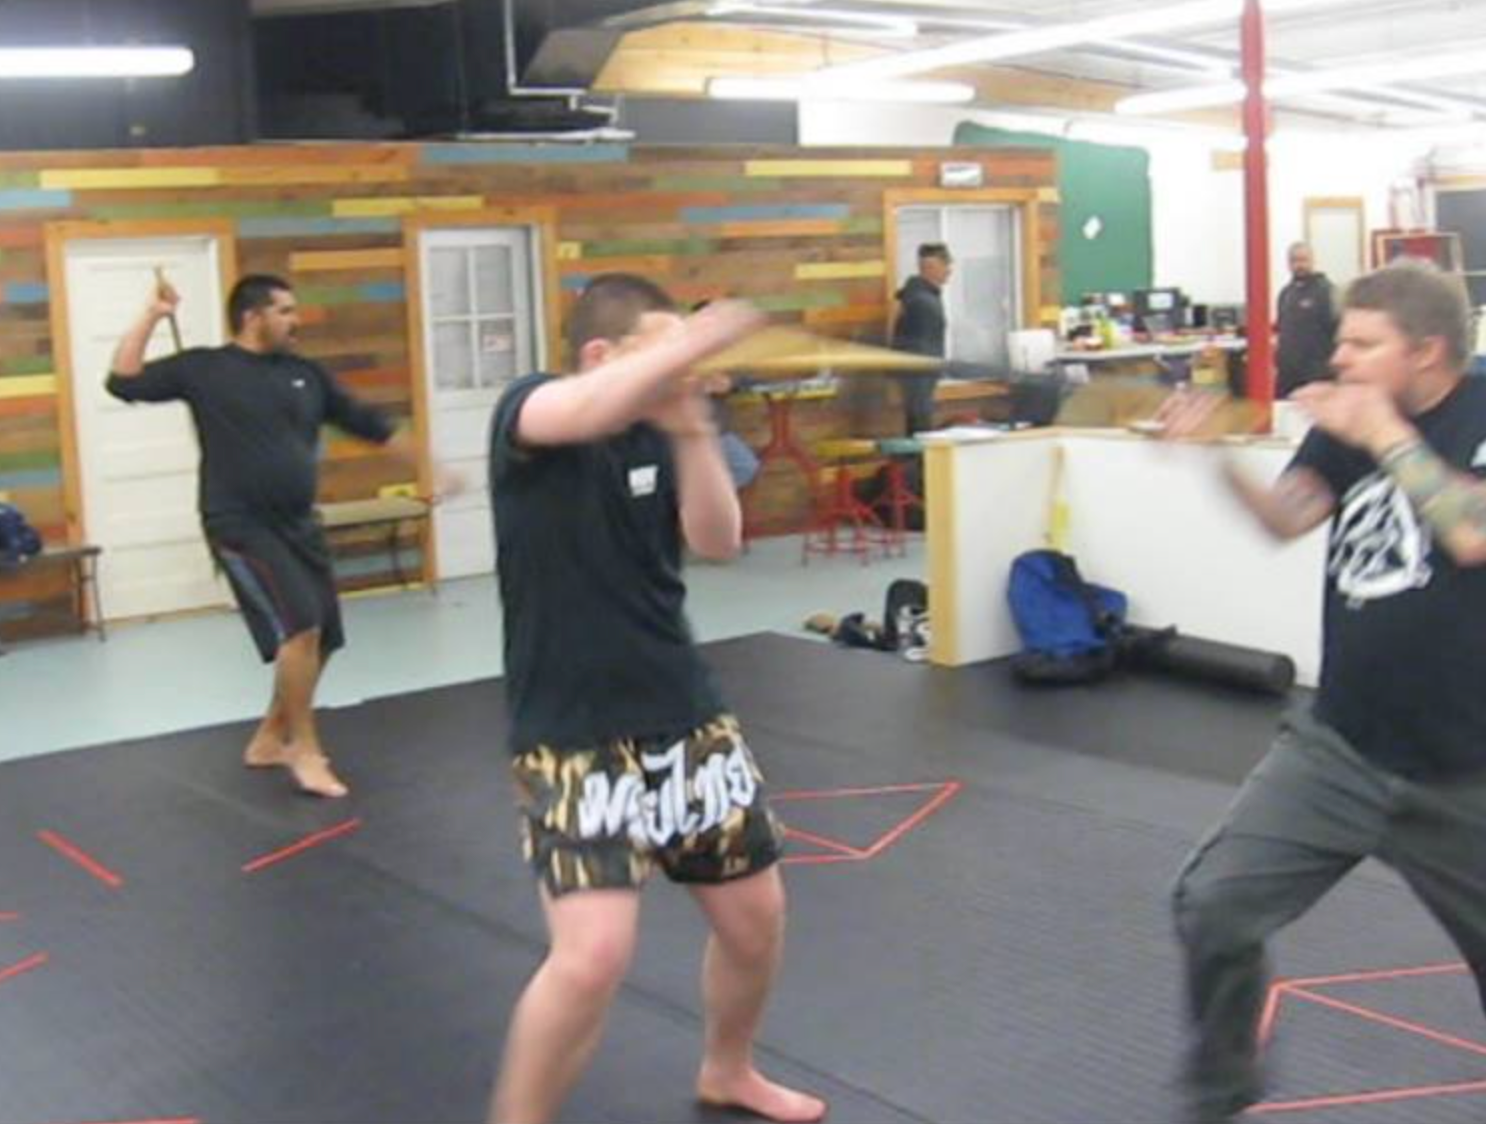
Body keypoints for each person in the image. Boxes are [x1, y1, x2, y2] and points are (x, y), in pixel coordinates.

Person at [486, 274, 826, 1124]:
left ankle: (728, 1070)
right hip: (572, 733)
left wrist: (692, 430)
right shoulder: (532, 411)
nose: (683, 365)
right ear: (601, 354)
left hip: (683, 710)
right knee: (592, 956)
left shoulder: (652, 431)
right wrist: (701, 338)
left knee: (756, 921)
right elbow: (583, 410)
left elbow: (717, 539)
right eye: (660, 347)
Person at [1158, 260, 1486, 1122]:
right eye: (1341, 338)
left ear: (1428, 351)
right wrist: (1215, 459)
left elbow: (1470, 534)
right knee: (1215, 906)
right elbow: (1285, 519)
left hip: (1470, 773)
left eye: (1362, 343)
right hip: (1341, 746)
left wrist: (1383, 432)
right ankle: (1223, 1089)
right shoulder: (1351, 424)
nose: (1339, 358)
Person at [107, 273, 446, 799]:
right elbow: (123, 380)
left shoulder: (304, 374)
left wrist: (431, 467)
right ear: (253, 316)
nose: (296, 320)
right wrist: (151, 315)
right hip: (238, 524)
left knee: (324, 636)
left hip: (297, 523)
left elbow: (368, 422)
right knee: (300, 628)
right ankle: (303, 750)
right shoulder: (204, 368)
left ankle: (269, 736)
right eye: (285, 310)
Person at [891, 242, 952, 435]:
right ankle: (918, 464)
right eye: (946, 265)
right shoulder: (921, 300)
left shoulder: (921, 295)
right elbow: (918, 345)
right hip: (918, 376)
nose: (949, 271)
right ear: (930, 266)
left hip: (921, 375)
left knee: (918, 425)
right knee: (921, 428)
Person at [1275, 241, 1339, 398]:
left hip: (1317, 376)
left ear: (1312, 261)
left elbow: (1339, 332)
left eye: (1303, 260)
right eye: (1294, 260)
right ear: (1288, 264)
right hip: (1288, 376)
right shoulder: (1285, 293)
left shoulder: (1327, 291)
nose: (1299, 265)